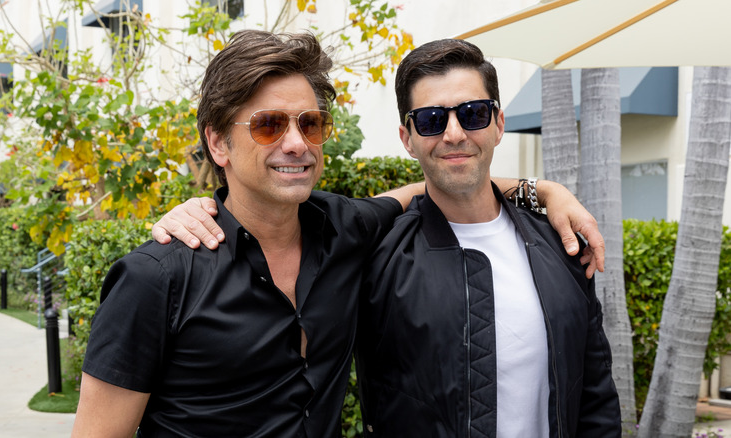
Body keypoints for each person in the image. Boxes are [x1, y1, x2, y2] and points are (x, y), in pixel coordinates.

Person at [78, 31, 604, 437]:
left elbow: (437, 181)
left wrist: (544, 191)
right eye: (267, 125)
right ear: (218, 143)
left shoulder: (345, 231)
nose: (295, 143)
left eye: (310, 124)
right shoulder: (156, 276)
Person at [354, 39, 621, 437]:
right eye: (431, 120)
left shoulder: (561, 246)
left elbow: (595, 397)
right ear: (407, 138)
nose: (454, 134)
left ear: (498, 124)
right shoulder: (376, 256)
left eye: (473, 114)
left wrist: (545, 192)